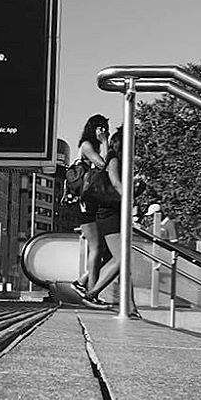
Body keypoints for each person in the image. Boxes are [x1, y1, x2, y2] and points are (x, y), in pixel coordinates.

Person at [81, 127, 140, 316]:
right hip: (109, 214)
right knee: (122, 258)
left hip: (114, 212)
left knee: (124, 262)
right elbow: (115, 183)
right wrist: (130, 201)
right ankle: (92, 293)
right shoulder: (114, 157)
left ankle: (130, 306)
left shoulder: (119, 158)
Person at [69, 114, 110, 304]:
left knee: (103, 249)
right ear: (94, 128)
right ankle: (91, 292)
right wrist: (106, 142)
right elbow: (105, 165)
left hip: (91, 202)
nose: (104, 131)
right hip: (83, 203)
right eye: (102, 128)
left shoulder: (93, 146)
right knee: (96, 248)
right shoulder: (86, 145)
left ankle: (82, 282)